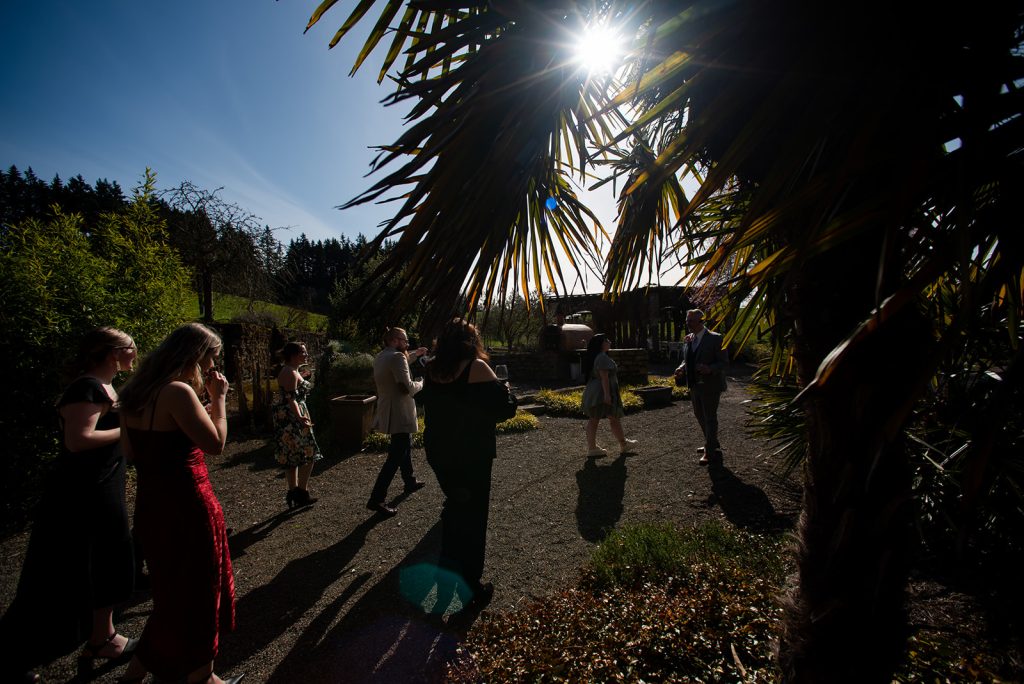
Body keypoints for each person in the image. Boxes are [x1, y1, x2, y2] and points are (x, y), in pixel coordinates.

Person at [0, 327, 139, 684]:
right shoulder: (85, 387)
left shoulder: (106, 387)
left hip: (104, 487)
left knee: (106, 561)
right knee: (62, 574)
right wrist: (128, 430)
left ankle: (103, 637)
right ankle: (13, 657)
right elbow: (78, 440)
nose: (135, 351)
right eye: (129, 346)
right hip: (79, 495)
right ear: (112, 353)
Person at [117, 323, 242, 684]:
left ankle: (135, 672)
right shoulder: (177, 392)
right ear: (195, 355)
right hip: (188, 505)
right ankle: (202, 677)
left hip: (152, 505)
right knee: (201, 591)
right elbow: (215, 443)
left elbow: (129, 451)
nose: (210, 367)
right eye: (211, 358)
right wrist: (219, 399)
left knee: (170, 592)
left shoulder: (136, 392)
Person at [417, 318, 517, 611]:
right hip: (471, 454)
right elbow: (504, 410)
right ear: (470, 341)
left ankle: (446, 577)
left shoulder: (432, 369)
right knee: (473, 519)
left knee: (455, 510)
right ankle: (470, 588)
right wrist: (505, 388)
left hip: (440, 452)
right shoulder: (476, 367)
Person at [367, 327, 429, 516]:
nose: (407, 343)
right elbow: (409, 387)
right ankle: (376, 499)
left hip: (388, 408)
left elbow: (401, 361)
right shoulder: (396, 357)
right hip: (399, 411)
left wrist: (415, 354)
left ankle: (409, 480)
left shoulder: (382, 356)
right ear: (395, 340)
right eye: (405, 340)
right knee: (396, 455)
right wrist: (423, 382)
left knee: (404, 444)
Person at [673, 309, 729, 465]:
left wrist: (710, 368)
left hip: (711, 385)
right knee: (699, 414)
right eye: (687, 320)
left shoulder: (716, 338)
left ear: (701, 321)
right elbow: (687, 359)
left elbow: (724, 362)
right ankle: (711, 442)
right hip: (694, 384)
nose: (687, 323)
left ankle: (710, 451)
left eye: (691, 320)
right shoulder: (689, 339)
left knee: (710, 418)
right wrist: (681, 367)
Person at [272, 341, 322, 508]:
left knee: (292, 456)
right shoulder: (290, 372)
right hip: (293, 418)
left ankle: (294, 492)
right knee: (308, 454)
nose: (306, 355)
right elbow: (290, 398)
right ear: (293, 355)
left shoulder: (292, 370)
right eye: (303, 352)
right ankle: (301, 492)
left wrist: (303, 377)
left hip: (287, 417)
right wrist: (300, 418)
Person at [581, 333, 638, 457]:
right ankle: (592, 449)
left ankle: (623, 444)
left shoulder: (599, 356)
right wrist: (607, 395)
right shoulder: (601, 357)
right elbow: (604, 378)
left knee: (612, 418)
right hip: (600, 393)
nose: (610, 341)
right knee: (596, 419)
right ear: (602, 344)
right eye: (607, 340)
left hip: (597, 391)